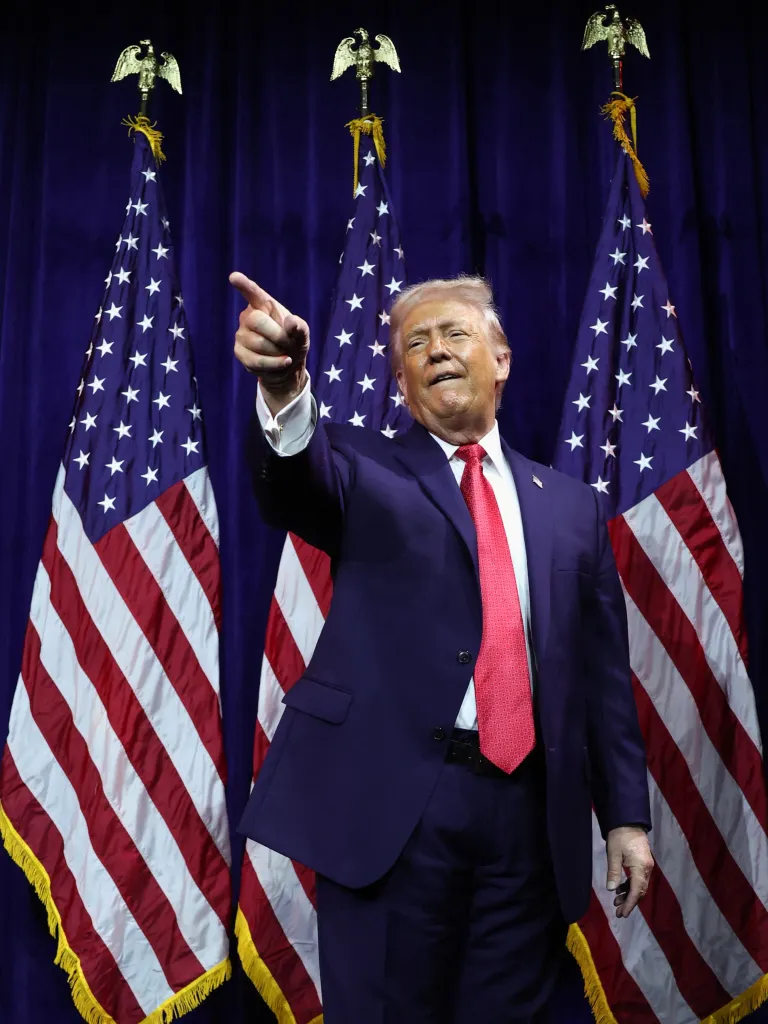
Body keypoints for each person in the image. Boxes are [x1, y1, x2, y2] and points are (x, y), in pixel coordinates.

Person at [231, 271, 654, 1024]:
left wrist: (625, 817)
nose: (436, 351)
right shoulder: (362, 467)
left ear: (502, 359)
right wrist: (287, 386)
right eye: (415, 345)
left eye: (454, 334)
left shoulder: (573, 509)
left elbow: (601, 678)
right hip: (395, 811)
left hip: (529, 816)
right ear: (401, 382)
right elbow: (295, 481)